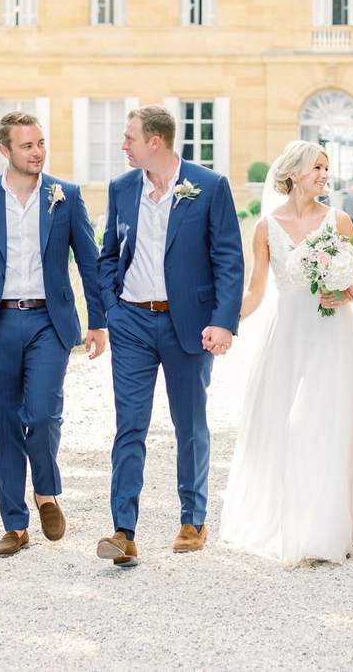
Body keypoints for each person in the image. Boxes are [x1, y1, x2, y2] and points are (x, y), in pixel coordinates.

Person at [0, 111, 107, 559]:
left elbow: (90, 263)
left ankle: (47, 493)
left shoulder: (64, 196)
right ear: (5, 151)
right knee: (4, 425)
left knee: (43, 412)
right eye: (27, 146)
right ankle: (15, 525)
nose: (37, 152)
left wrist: (98, 321)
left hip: (48, 323)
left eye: (40, 144)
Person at [95, 105, 245, 566]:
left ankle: (192, 519)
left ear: (154, 142)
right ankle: (124, 531)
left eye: (130, 139)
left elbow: (228, 260)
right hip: (133, 323)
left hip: (189, 325)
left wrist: (222, 321)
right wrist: (112, 310)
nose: (123, 146)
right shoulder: (122, 188)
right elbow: (108, 255)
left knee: (190, 424)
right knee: (130, 426)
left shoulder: (209, 186)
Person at [220, 141, 353, 563]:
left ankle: (324, 528)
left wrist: (341, 293)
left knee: (325, 420)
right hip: (287, 334)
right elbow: (255, 290)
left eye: (327, 167)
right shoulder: (267, 227)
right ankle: (289, 518)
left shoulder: (339, 221)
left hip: (331, 332)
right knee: (285, 422)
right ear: (293, 174)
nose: (325, 174)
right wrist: (225, 324)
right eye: (317, 168)